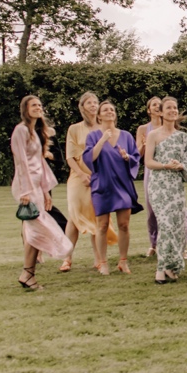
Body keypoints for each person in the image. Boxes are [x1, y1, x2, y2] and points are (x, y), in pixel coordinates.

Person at [10, 95, 72, 290]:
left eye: (39, 105)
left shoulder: (35, 133)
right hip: (28, 189)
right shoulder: (20, 131)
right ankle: (27, 274)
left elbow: (41, 163)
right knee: (36, 230)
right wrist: (25, 191)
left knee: (34, 232)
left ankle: (28, 274)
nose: (38, 108)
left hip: (37, 188)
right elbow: (21, 162)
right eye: (33, 105)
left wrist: (46, 191)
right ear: (25, 110)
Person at [144, 96, 187, 284]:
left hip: (176, 187)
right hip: (159, 186)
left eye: (175, 107)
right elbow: (148, 162)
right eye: (168, 108)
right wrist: (166, 165)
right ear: (160, 112)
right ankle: (160, 269)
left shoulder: (183, 137)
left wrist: (181, 166)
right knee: (165, 226)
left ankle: (171, 266)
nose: (173, 110)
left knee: (177, 227)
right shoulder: (153, 135)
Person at [62, 91, 115, 274]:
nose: (93, 105)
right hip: (79, 178)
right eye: (89, 103)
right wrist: (82, 175)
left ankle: (99, 259)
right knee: (74, 216)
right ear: (82, 107)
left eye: (95, 102)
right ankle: (67, 257)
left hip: (99, 176)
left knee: (97, 217)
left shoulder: (104, 128)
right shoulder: (74, 129)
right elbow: (70, 157)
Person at [85, 101, 139, 275]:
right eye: (105, 110)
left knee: (124, 224)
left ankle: (123, 261)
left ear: (115, 114)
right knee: (102, 225)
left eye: (112, 109)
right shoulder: (93, 136)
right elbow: (90, 158)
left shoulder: (126, 136)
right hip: (102, 185)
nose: (109, 112)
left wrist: (127, 157)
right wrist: (102, 140)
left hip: (122, 184)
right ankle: (103, 262)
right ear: (99, 116)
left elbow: (135, 158)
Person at [135, 97, 163, 259]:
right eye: (154, 104)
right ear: (149, 110)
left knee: (171, 208)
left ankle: (179, 243)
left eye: (160, 104)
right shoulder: (143, 129)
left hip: (167, 170)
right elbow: (137, 155)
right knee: (152, 210)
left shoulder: (169, 127)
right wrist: (144, 144)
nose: (157, 106)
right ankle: (153, 244)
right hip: (150, 171)